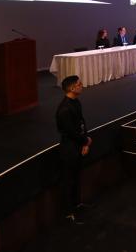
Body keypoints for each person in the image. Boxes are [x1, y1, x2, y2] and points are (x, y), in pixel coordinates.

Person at [55, 75, 92, 224]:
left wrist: (85, 142)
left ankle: (77, 204)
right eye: (79, 84)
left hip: (78, 145)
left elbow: (81, 122)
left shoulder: (76, 102)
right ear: (71, 88)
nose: (82, 85)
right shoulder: (64, 109)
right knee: (68, 181)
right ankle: (68, 213)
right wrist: (85, 141)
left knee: (76, 177)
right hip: (69, 149)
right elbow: (70, 132)